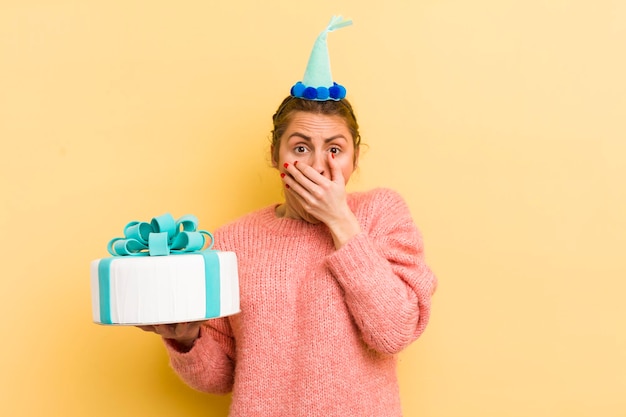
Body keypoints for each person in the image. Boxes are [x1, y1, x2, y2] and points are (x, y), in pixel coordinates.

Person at [139, 16, 437, 417]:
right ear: (276, 155)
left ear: (355, 158)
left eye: (334, 149)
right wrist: (188, 338)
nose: (317, 164)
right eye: (300, 148)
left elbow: (395, 331)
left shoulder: (382, 214)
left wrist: (341, 224)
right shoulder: (231, 242)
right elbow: (222, 378)